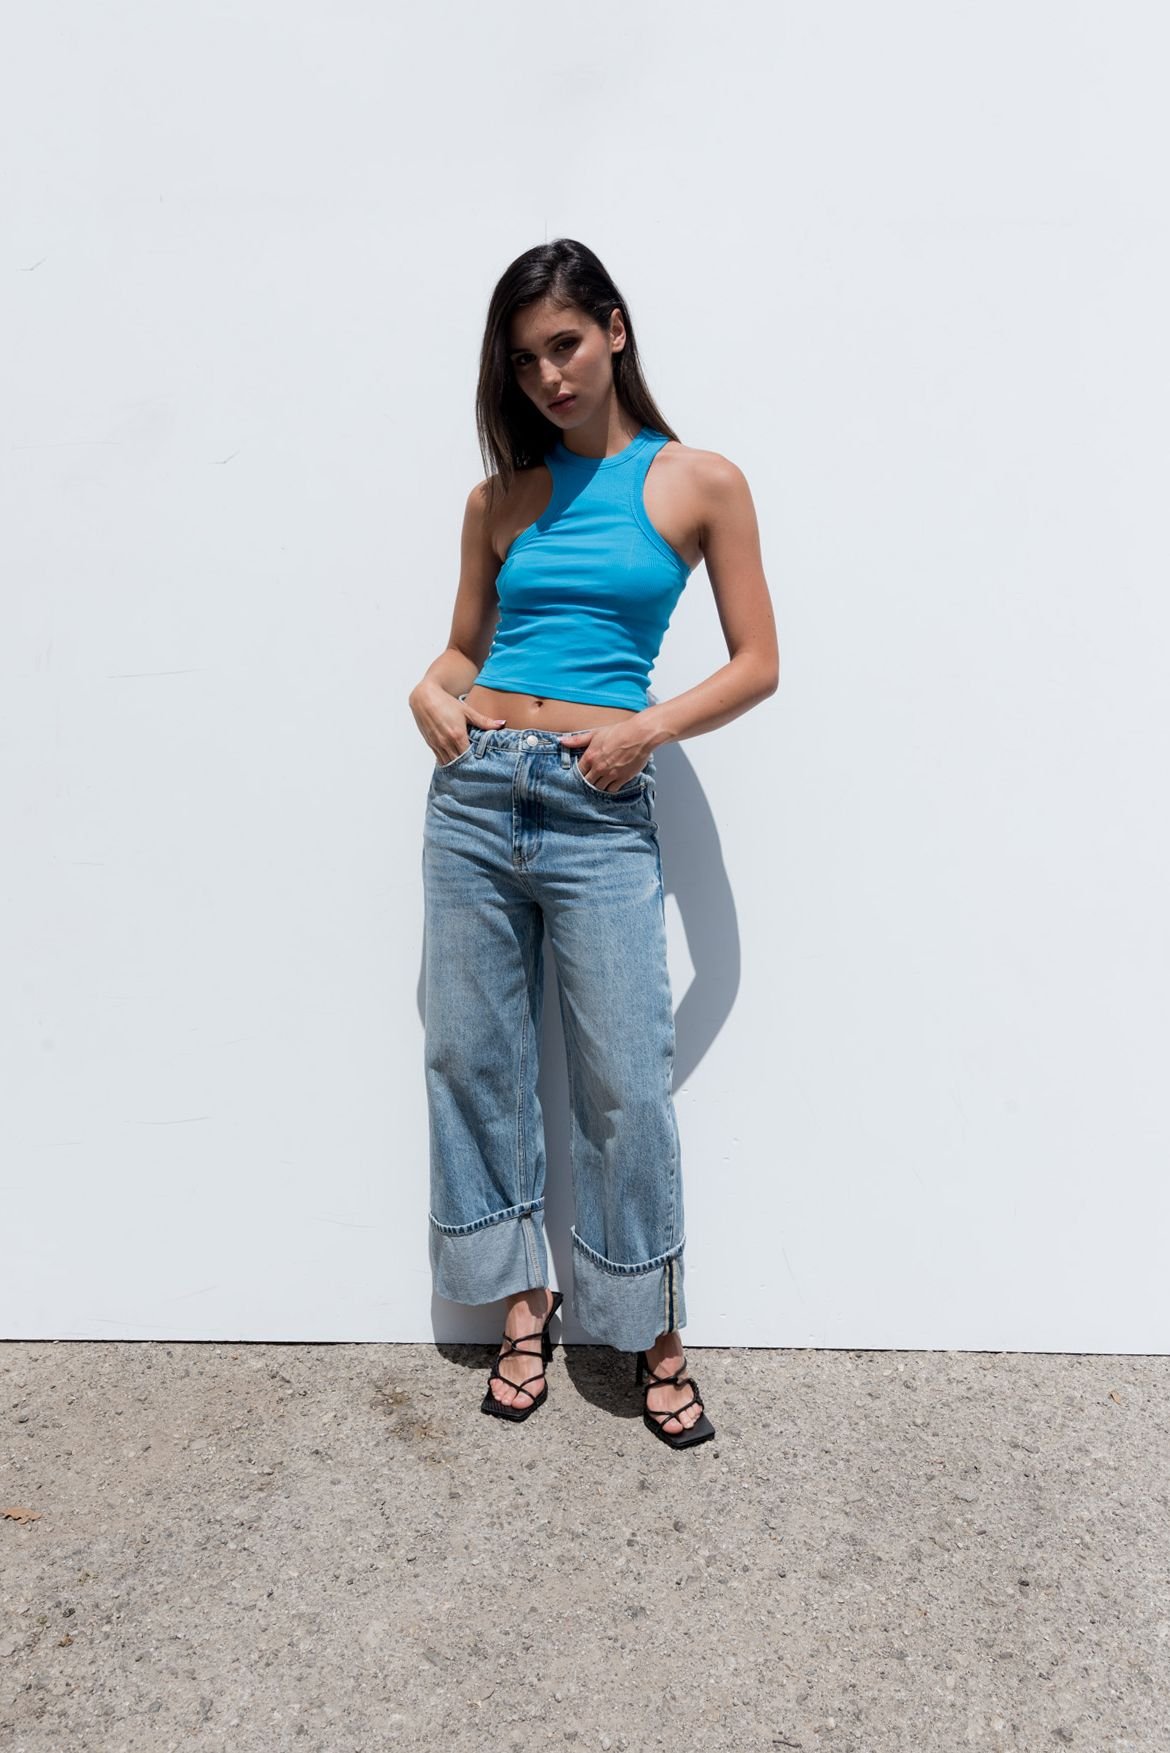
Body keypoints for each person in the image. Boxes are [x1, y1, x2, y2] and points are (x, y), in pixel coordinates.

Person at [409, 238, 779, 1449]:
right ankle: (524, 1307)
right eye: (524, 361)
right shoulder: (499, 500)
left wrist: (647, 729)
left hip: (595, 799)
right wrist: (427, 689)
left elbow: (759, 664)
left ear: (614, 328)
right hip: (475, 795)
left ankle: (651, 1332)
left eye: (564, 345)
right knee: (472, 1056)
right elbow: (465, 651)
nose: (549, 377)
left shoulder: (700, 482)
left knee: (624, 1076)